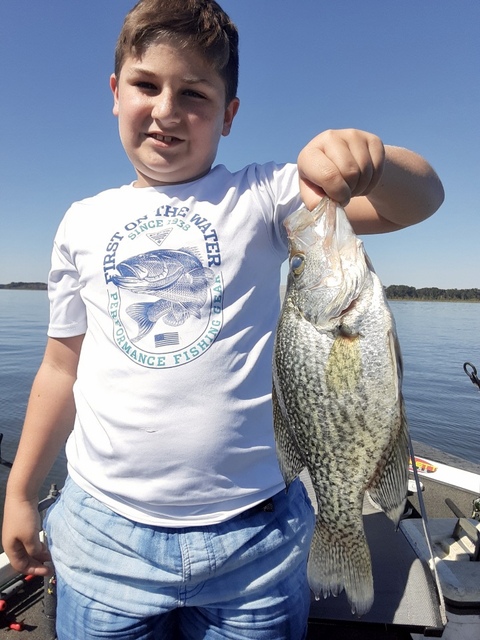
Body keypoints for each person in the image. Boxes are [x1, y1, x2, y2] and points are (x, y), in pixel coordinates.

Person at [2, 1, 444, 638]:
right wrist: (21, 492)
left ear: (230, 114)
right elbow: (59, 365)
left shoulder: (265, 196)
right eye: (146, 85)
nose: (166, 109)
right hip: (105, 533)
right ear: (114, 92)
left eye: (195, 93)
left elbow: (419, 201)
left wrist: (369, 161)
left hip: (257, 534)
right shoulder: (80, 221)